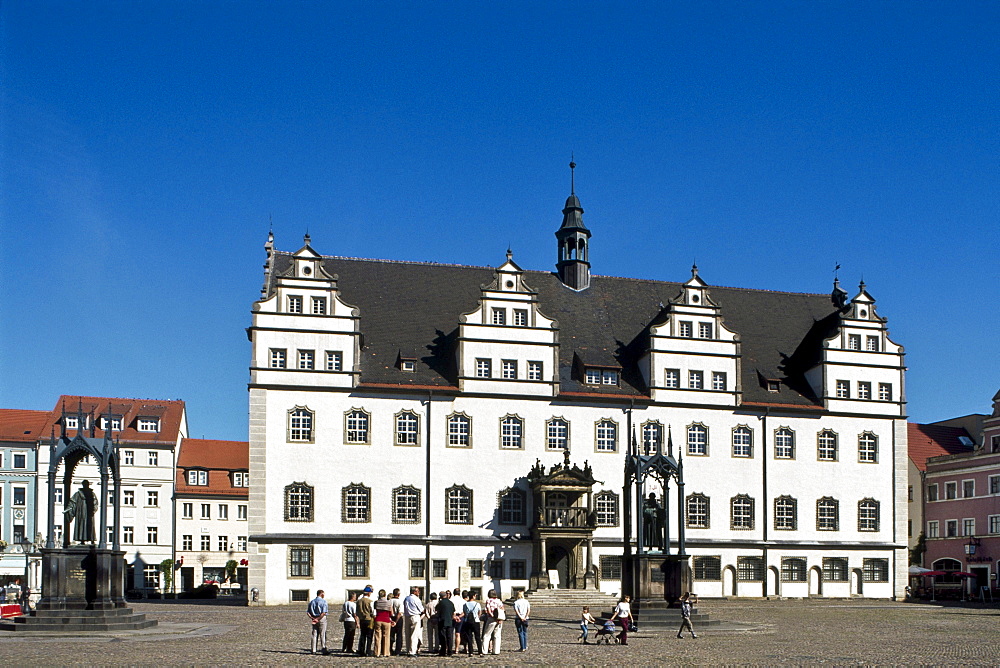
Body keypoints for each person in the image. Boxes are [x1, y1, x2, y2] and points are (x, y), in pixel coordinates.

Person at [402, 586, 425, 656]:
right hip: (415, 616)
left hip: (407, 616)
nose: (419, 592)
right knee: (414, 635)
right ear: (414, 592)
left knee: (408, 634)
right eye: (418, 591)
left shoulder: (406, 598)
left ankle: (408, 649)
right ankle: (412, 651)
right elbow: (422, 609)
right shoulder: (416, 599)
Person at [482, 588, 505, 655]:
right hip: (499, 619)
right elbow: (502, 609)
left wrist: (493, 616)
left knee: (487, 635)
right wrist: (499, 618)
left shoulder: (489, 601)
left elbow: (488, 610)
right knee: (497, 635)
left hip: (491, 619)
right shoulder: (499, 601)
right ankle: (496, 651)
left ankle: (484, 650)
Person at [461, 590, 484, 655]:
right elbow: (479, 612)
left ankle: (471, 651)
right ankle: (480, 651)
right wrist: (477, 617)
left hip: (467, 621)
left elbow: (465, 613)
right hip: (476, 621)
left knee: (469, 637)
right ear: (473, 596)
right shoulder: (477, 604)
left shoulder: (465, 604)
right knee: (477, 637)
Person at [373, 589, 394, 657]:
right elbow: (391, 613)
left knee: (377, 637)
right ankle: (385, 652)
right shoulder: (389, 603)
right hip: (386, 620)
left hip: (378, 619)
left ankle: (377, 652)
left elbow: (375, 610)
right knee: (386, 637)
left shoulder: (376, 602)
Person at [307, 589, 329, 655]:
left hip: (314, 618)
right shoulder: (324, 602)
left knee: (314, 634)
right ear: (321, 594)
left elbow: (308, 612)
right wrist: (318, 619)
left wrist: (313, 618)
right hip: (321, 619)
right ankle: (323, 648)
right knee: (323, 634)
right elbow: (323, 612)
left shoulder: (312, 602)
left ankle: (313, 649)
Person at [356, 585, 375, 657]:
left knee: (363, 635)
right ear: (369, 593)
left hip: (362, 619)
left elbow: (357, 611)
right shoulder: (370, 601)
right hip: (369, 619)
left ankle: (361, 650)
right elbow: (372, 611)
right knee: (369, 636)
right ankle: (368, 650)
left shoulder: (359, 601)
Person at [436, 590, 457, 656]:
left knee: (442, 637)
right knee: (449, 637)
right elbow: (453, 612)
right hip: (450, 622)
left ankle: (443, 651)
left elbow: (437, 610)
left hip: (442, 621)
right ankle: (450, 651)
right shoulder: (451, 603)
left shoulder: (441, 603)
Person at [390, 587, 404, 655]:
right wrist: (396, 621)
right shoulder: (400, 601)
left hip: (391, 618)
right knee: (399, 635)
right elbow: (399, 613)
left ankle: (390, 648)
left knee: (391, 634)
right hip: (398, 619)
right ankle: (398, 650)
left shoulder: (390, 601)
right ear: (398, 594)